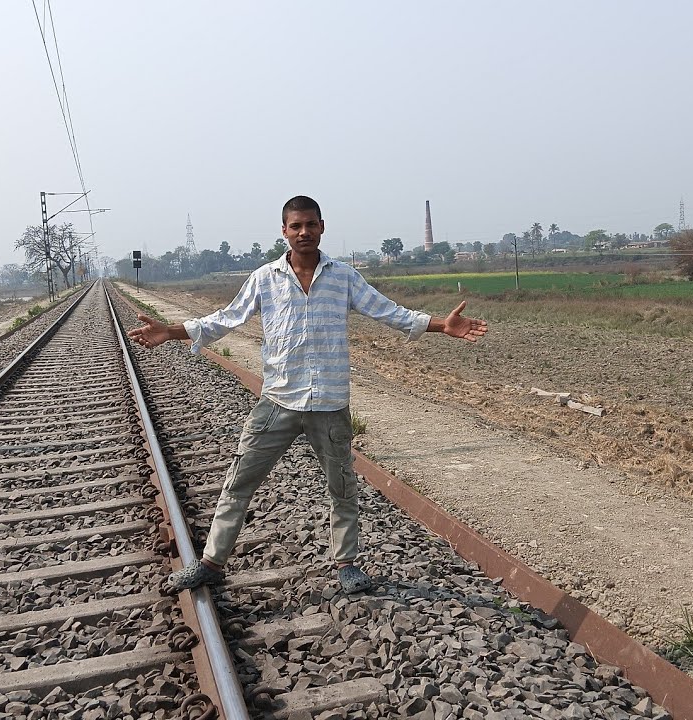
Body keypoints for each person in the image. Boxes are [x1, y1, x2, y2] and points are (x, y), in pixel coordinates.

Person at [128, 195, 488, 594]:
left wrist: (441, 325)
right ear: (284, 231)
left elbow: (390, 312)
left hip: (330, 405)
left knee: (343, 486)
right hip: (278, 401)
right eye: (296, 226)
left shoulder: (344, 277)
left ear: (321, 227)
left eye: (310, 225)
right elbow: (224, 320)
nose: (304, 232)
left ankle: (347, 563)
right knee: (238, 481)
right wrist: (170, 331)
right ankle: (212, 563)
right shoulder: (265, 278)